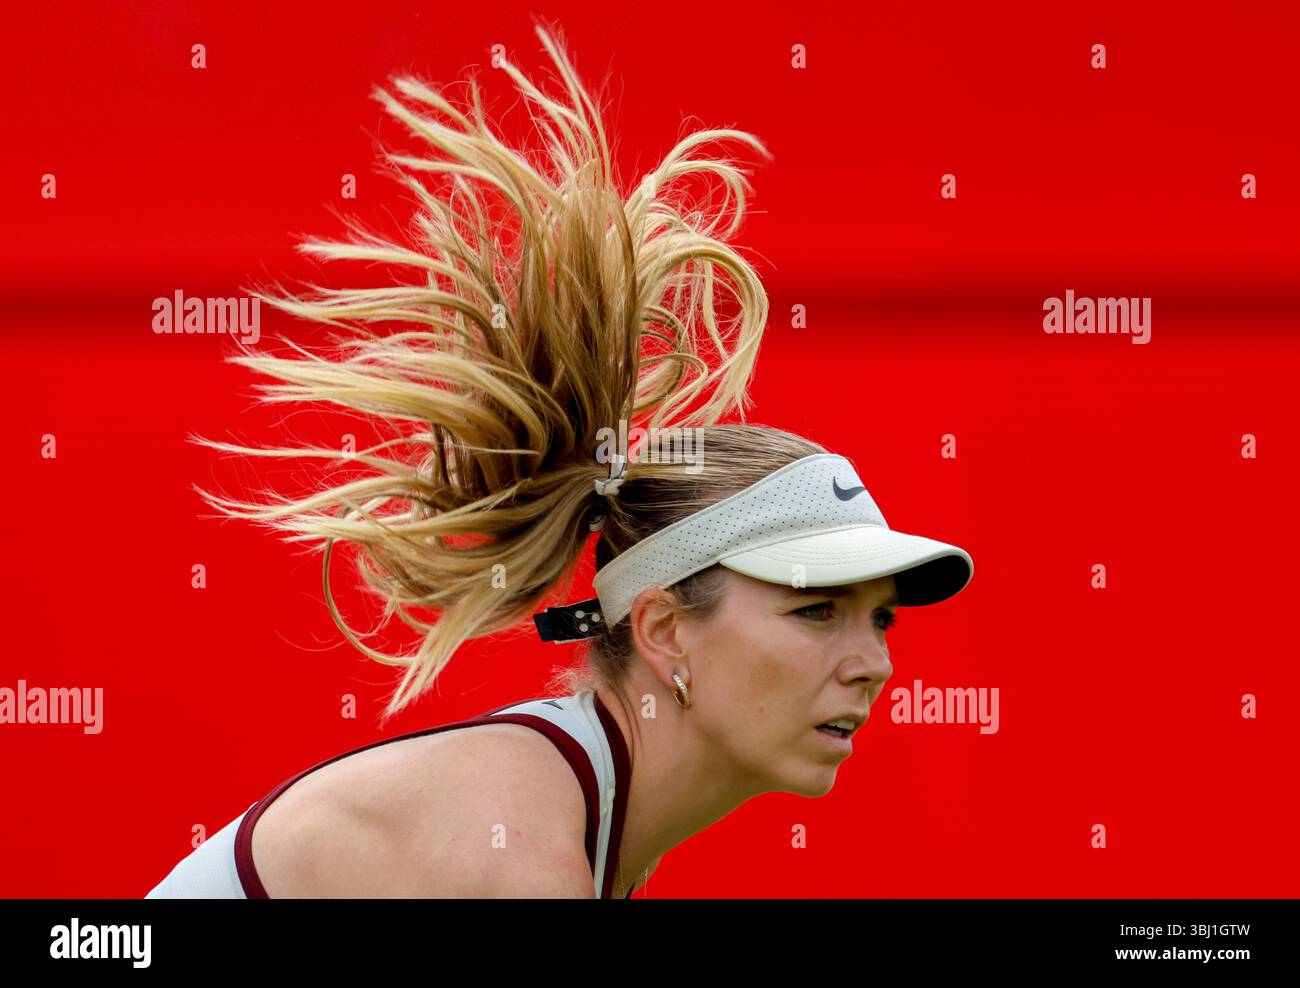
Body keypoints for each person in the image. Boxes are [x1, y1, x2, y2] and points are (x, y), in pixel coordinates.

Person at [145, 21, 973, 900]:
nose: (875, 664)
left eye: (882, 618)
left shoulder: (570, 811)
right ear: (663, 631)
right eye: (817, 610)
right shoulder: (520, 852)